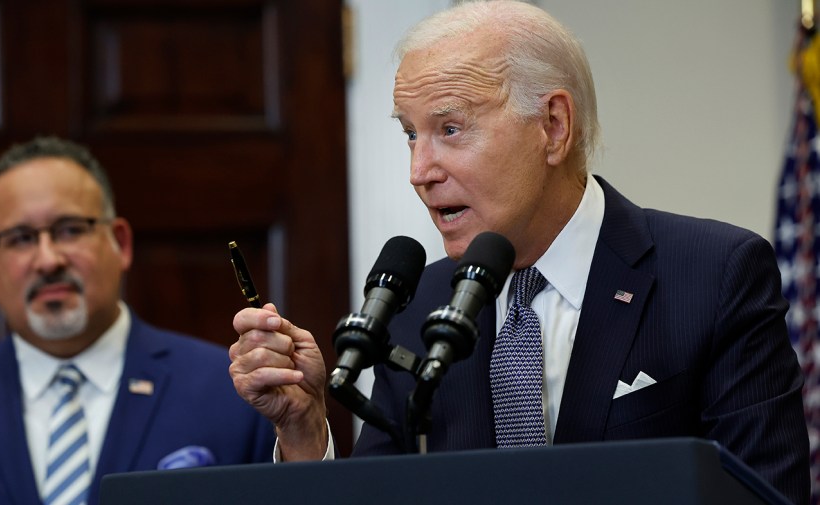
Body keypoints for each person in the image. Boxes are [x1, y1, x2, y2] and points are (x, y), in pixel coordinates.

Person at [228, 1, 810, 503]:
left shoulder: (713, 275)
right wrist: (306, 433)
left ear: (553, 126)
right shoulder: (418, 306)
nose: (419, 172)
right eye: (411, 133)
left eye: (450, 129)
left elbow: (765, 499)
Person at [0, 136, 276, 505]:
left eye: (70, 229)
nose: (47, 260)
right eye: (20, 238)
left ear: (120, 243)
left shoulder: (234, 390)